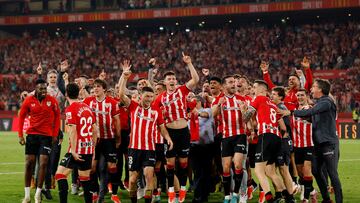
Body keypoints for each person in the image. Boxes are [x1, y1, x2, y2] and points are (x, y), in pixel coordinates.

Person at [118, 60, 173, 203]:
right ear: (140, 96)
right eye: (146, 96)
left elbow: (162, 128)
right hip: (134, 149)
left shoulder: (156, 112)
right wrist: (124, 77)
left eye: (151, 97)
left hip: (149, 149)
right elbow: (121, 94)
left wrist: (168, 138)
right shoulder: (134, 107)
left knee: (149, 176)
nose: (149, 99)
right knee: (132, 180)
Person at [153, 52, 199, 203]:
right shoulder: (160, 98)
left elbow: (196, 79)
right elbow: (154, 114)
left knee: (184, 163)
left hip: (184, 131)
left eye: (173, 78)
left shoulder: (181, 90)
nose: (172, 80)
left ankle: (183, 190)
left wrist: (189, 63)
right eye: (169, 79)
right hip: (170, 133)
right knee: (171, 164)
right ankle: (172, 193)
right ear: (165, 83)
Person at [288, 79, 343, 203]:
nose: (311, 89)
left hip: (328, 143)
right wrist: (307, 121)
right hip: (318, 143)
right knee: (316, 171)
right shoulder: (319, 103)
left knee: (332, 173)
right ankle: (326, 199)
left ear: (320, 90)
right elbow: (314, 118)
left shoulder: (327, 102)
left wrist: (293, 112)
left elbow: (311, 111)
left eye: (314, 87)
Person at [240, 80, 287, 203]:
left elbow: (246, 117)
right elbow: (283, 128)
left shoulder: (258, 98)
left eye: (254, 87)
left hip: (265, 136)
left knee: (258, 170)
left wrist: (243, 109)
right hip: (276, 137)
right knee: (270, 171)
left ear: (262, 90)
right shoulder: (272, 104)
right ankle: (285, 195)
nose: (252, 89)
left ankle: (269, 198)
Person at [18, 78, 60, 203]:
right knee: (29, 163)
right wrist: (20, 135)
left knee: (43, 163)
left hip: (46, 136)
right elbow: (21, 116)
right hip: (32, 135)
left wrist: (55, 134)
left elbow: (57, 116)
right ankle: (27, 196)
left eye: (45, 89)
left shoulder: (52, 100)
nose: (43, 91)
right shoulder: (28, 100)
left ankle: (38, 194)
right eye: (41, 89)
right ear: (35, 89)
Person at [55, 82, 98, 203]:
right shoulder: (87, 108)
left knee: (60, 175)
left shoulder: (70, 109)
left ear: (66, 94)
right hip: (88, 149)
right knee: (85, 179)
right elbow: (95, 130)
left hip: (77, 150)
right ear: (78, 93)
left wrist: (73, 150)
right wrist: (93, 149)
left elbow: (73, 130)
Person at [83, 79, 121, 203]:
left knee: (112, 167)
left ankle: (114, 193)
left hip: (109, 139)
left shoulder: (112, 102)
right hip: (95, 140)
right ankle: (95, 192)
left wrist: (118, 137)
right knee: (92, 168)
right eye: (94, 87)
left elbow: (116, 121)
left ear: (104, 89)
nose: (95, 89)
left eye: (98, 86)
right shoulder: (88, 102)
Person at [211, 75, 247, 203]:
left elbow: (247, 119)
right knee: (225, 168)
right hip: (226, 137)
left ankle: (237, 193)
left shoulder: (242, 99)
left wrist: (244, 111)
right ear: (224, 86)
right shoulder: (219, 100)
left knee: (237, 164)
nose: (234, 84)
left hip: (240, 135)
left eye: (235, 82)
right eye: (231, 82)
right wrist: (218, 106)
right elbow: (212, 115)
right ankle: (227, 196)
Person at [291, 88, 317, 202]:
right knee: (301, 174)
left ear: (306, 96)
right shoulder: (294, 111)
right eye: (298, 95)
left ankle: (305, 198)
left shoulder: (311, 110)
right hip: (297, 146)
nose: (300, 97)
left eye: (302, 95)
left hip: (309, 145)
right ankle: (311, 189)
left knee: (307, 170)